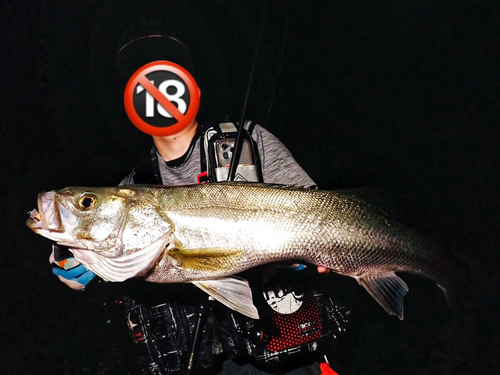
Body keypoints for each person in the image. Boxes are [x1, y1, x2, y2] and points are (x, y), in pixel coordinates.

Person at [50, 35, 349, 375]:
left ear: (192, 87)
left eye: (167, 74)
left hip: (284, 358)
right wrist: (71, 260)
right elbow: (83, 262)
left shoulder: (248, 142)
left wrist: (307, 255)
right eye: (142, 81)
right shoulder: (132, 187)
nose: (156, 91)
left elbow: (324, 215)